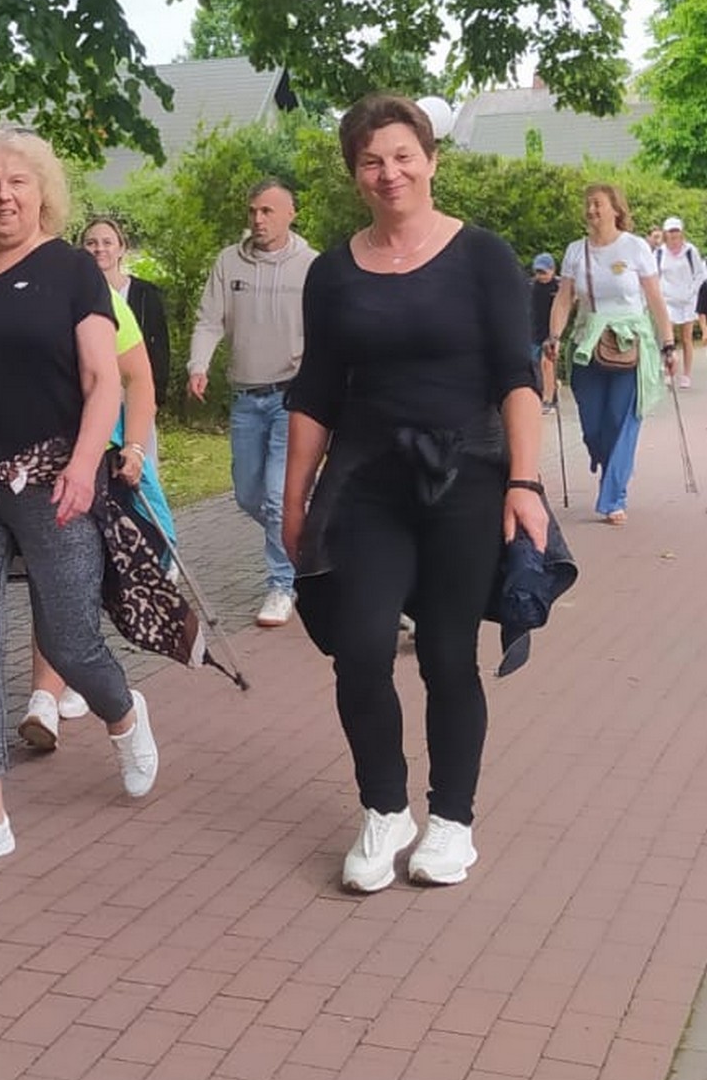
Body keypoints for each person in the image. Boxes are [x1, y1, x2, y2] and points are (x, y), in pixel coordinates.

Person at [282, 95, 544, 896]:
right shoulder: (332, 273)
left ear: (430, 160)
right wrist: (293, 504)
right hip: (367, 484)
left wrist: (525, 483)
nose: (388, 172)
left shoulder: (483, 256)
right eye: (371, 160)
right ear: (354, 174)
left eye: (402, 155)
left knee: (445, 654)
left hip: (467, 480)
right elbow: (316, 391)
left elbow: (517, 376)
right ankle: (385, 808)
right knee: (361, 647)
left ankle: (452, 820)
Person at [0, 126, 159, 878]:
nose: (3, 196)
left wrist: (86, 467)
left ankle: (124, 712)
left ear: (42, 192)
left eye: (17, 181)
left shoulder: (72, 272)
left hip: (52, 484)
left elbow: (105, 381)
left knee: (72, 640)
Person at [19, 267, 156, 752]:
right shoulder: (2, 290)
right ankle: (51, 692)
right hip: (23, 465)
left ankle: (65, 680)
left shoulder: (96, 295)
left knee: (68, 579)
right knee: (50, 578)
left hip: (93, 458)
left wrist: (135, 447)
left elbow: (138, 379)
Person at [188, 180, 316, 626]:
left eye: (268, 211)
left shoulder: (311, 266)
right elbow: (209, 320)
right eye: (253, 211)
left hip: (292, 396)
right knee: (248, 495)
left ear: (291, 214)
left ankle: (282, 584)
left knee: (280, 497)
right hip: (246, 396)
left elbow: (326, 330)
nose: (258, 220)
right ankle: (310, 543)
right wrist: (198, 364)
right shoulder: (229, 262)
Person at [547, 186, 676, 524]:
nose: (591, 210)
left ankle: (613, 496)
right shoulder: (576, 251)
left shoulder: (635, 247)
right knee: (593, 426)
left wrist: (667, 342)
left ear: (616, 210)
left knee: (622, 421)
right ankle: (609, 470)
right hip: (587, 344)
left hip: (629, 344)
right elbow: (564, 298)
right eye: (588, 204)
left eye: (598, 204)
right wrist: (554, 336)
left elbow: (655, 298)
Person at [80, 215, 171, 410]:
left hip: (135, 396)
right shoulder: (73, 296)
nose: (99, 249)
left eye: (107, 242)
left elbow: (159, 349)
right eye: (91, 243)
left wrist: (155, 398)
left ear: (121, 248)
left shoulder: (146, 294)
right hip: (88, 399)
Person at [654, 216, 705, 389]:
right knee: (667, 337)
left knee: (686, 338)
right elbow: (654, 275)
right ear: (666, 234)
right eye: (671, 232)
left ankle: (686, 374)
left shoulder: (690, 251)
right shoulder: (660, 253)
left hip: (687, 300)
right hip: (668, 300)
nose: (674, 235)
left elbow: (699, 274)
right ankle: (669, 371)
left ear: (681, 233)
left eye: (676, 231)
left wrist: (692, 291)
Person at [529, 253, 559, 407]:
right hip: (534, 331)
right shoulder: (531, 286)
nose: (541, 276)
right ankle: (542, 393)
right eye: (538, 272)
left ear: (552, 270)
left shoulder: (558, 286)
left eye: (544, 272)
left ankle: (549, 399)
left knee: (547, 363)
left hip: (552, 331)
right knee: (534, 365)